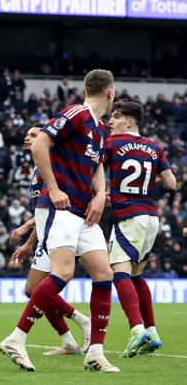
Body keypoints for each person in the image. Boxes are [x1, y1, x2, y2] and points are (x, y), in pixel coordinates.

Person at [0, 69, 118, 373]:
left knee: (104, 274)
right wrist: (53, 189)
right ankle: (17, 338)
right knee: (63, 272)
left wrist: (101, 194)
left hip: (84, 210)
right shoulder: (77, 114)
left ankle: (95, 352)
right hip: (61, 207)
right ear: (111, 92)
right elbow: (40, 144)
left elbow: (98, 166)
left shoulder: (100, 128)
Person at [10, 124, 91, 356]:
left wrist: (27, 231)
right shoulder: (37, 170)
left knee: (34, 290)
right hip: (46, 233)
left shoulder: (51, 168)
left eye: (34, 134)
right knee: (34, 290)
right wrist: (28, 241)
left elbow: (56, 206)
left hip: (59, 232)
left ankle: (82, 322)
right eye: (27, 135)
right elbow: (42, 213)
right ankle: (69, 342)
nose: (28, 137)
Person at [104, 101, 176, 357]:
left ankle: (137, 331)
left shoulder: (111, 144)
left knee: (119, 272)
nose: (110, 121)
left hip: (128, 217)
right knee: (137, 275)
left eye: (116, 117)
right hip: (150, 218)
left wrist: (108, 190)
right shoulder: (155, 148)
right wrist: (146, 179)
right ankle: (153, 332)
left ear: (130, 121)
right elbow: (171, 183)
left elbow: (97, 169)